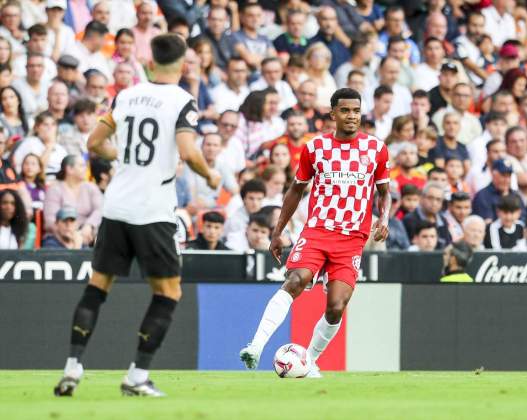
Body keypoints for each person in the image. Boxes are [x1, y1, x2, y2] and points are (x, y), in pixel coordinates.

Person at [53, 34, 221, 398]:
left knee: (98, 286)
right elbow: (189, 152)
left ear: (150, 62)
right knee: (168, 292)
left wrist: (126, 158)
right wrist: (210, 175)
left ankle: (72, 365)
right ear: (183, 63)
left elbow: (94, 143)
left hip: (116, 205)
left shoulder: (127, 95)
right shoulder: (182, 100)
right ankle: (137, 375)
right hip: (152, 210)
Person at [239, 88, 390, 377]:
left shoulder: (376, 149)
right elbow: (295, 191)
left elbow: (384, 192)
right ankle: (255, 346)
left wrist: (383, 219)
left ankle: (308, 360)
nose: (351, 116)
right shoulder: (315, 148)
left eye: (356, 111)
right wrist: (278, 232)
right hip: (318, 230)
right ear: (332, 113)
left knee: (336, 305)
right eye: (345, 110)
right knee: (296, 280)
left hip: (352, 238)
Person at [472, 158, 524, 223]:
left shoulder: (516, 195)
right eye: (503, 176)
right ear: (493, 174)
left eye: (509, 176)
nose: (507, 180)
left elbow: (523, 219)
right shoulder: (483, 196)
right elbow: (487, 223)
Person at [403, 181, 451, 248]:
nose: (434, 203)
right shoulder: (409, 220)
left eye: (438, 199)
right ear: (422, 198)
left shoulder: (443, 221)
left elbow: (447, 246)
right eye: (430, 198)